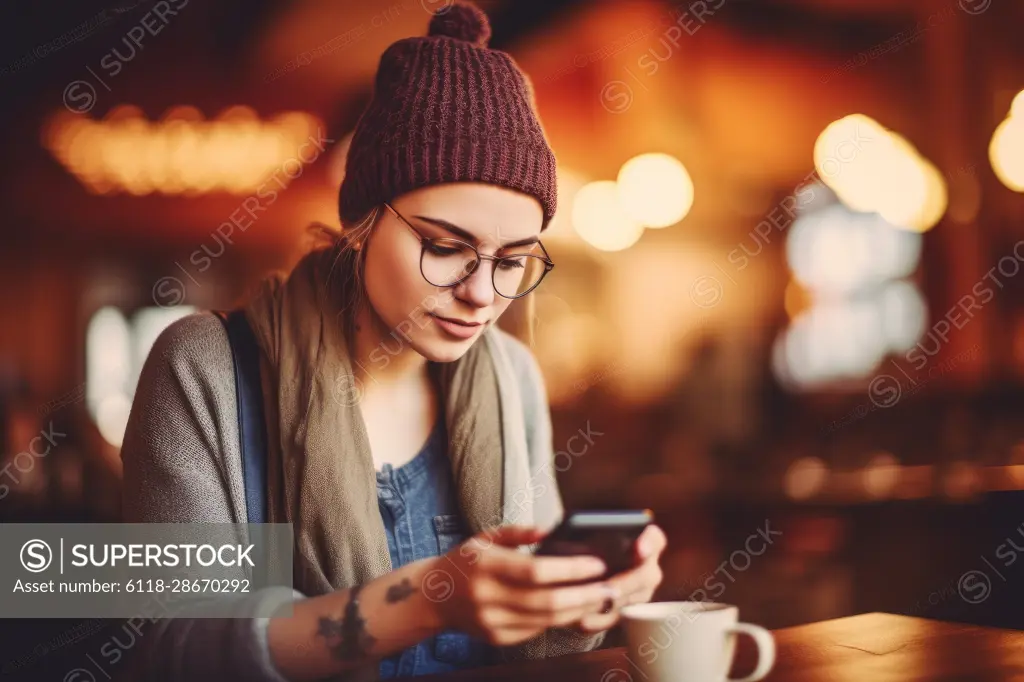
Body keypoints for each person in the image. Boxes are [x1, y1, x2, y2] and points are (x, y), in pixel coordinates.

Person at [120, 3, 667, 680]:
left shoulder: (511, 378)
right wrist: (424, 602)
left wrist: (579, 604)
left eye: (512, 260)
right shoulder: (207, 370)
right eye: (444, 247)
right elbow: (177, 646)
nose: (482, 293)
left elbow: (538, 657)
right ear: (363, 222)